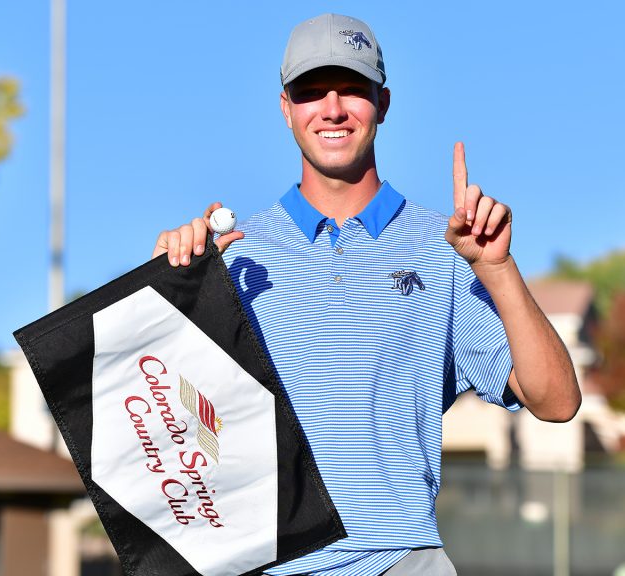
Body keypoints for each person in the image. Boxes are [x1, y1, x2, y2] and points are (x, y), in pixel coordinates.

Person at [152, 13, 580, 576]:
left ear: (383, 102)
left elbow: (557, 402)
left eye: (352, 89)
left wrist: (499, 269)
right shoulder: (231, 256)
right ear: (286, 108)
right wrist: (167, 292)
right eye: (311, 92)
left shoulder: (445, 247)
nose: (332, 109)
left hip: (402, 560)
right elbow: (173, 436)